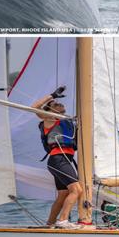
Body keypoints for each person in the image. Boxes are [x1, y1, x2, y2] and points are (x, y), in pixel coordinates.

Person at [32, 88, 86, 229]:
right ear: (49, 110)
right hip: (58, 159)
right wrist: (52, 95)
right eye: (55, 104)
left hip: (64, 160)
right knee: (77, 190)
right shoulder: (49, 119)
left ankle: (50, 223)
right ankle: (63, 221)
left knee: (63, 194)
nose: (59, 104)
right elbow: (34, 108)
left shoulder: (68, 121)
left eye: (60, 103)